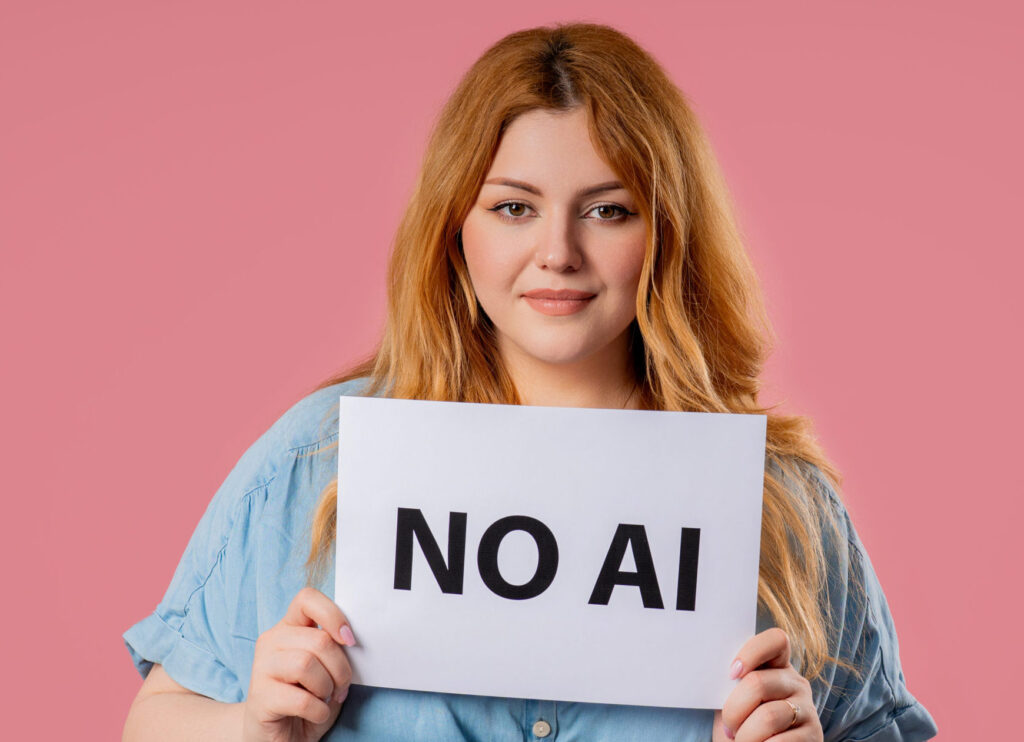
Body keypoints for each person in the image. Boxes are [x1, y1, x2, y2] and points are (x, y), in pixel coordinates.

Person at [122, 22, 938, 742]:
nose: (557, 253)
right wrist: (252, 729)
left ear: (668, 231)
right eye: (514, 207)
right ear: (455, 226)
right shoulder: (315, 460)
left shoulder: (780, 507)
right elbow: (154, 720)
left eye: (608, 210)